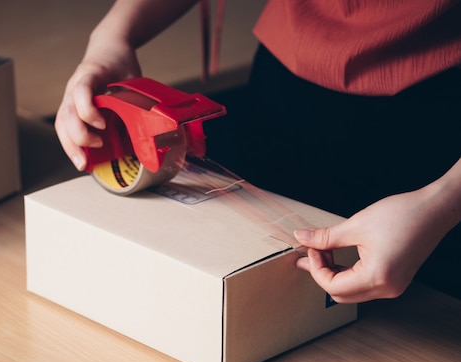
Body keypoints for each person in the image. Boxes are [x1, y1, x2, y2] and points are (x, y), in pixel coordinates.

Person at [54, 0, 461, 303]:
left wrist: (443, 200)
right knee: (277, 288)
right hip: (285, 87)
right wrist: (111, 37)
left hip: (437, 124)